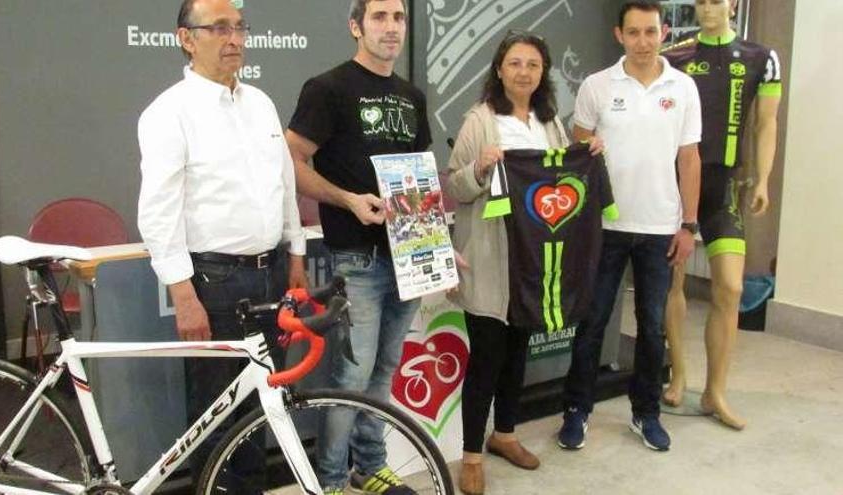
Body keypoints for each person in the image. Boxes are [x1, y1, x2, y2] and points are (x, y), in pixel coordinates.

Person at [136, 0, 307, 490]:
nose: (234, 39)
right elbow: (158, 211)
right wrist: (183, 295)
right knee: (214, 414)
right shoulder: (169, 113)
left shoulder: (262, 103)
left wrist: (295, 254)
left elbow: (284, 186)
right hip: (214, 284)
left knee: (261, 407)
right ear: (186, 39)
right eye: (218, 29)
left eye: (239, 28)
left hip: (272, 273)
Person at [445, 31, 604, 494]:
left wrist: (588, 154)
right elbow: (455, 186)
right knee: (487, 358)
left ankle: (505, 434)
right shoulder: (480, 120)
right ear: (499, 69)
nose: (523, 72)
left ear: (543, 73)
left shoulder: (550, 122)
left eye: (533, 65)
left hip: (534, 260)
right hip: (493, 260)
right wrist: (479, 168)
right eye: (515, 63)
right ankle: (472, 456)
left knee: (518, 354)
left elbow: (563, 174)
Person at [284, 0, 431, 493]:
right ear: (355, 26)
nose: (391, 28)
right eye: (379, 17)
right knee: (350, 377)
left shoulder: (412, 96)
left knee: (384, 370)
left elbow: (420, 177)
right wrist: (347, 199)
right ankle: (327, 482)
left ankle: (369, 467)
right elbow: (294, 161)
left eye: (398, 18)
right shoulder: (327, 89)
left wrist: (439, 242)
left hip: (409, 255)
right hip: (356, 257)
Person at [558, 0, 702, 453]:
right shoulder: (597, 87)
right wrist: (587, 147)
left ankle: (647, 413)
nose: (643, 41)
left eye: (651, 32)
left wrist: (688, 225)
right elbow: (576, 152)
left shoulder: (682, 87)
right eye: (634, 32)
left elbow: (689, 159)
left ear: (664, 34)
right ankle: (576, 411)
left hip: (661, 226)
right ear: (619, 35)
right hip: (604, 225)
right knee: (592, 322)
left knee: (652, 325)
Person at [662, 0, 782, 430]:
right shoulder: (673, 58)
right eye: (701, 0)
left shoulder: (761, 58)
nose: (708, 7)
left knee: (730, 288)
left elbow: (766, 123)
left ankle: (716, 391)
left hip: (725, 189)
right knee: (671, 284)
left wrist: (764, 179)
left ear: (732, 4)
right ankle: (678, 372)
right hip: (678, 190)